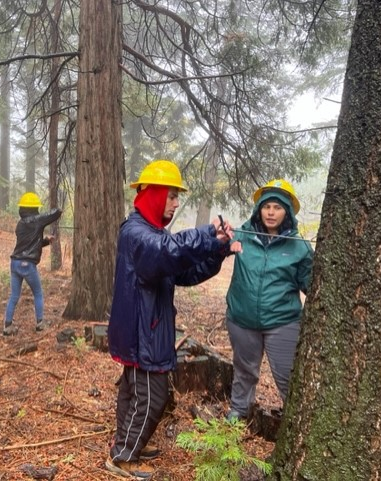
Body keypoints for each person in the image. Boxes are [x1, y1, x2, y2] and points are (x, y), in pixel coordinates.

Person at [106, 160, 234, 479]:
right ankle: (124, 458)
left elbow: (184, 271)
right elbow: (167, 252)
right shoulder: (138, 234)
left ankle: (128, 444)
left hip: (147, 327)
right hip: (143, 331)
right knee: (153, 397)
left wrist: (216, 252)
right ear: (154, 195)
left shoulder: (152, 233)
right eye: (172, 196)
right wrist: (209, 234)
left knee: (134, 394)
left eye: (177, 197)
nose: (176, 203)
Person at [225, 179, 314, 421]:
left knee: (287, 375)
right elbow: (210, 255)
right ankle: (238, 414)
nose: (271, 212)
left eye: (278, 207)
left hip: (282, 322)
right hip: (242, 319)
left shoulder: (299, 247)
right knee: (244, 371)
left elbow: (313, 287)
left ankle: (296, 420)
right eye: (267, 207)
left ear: (287, 212)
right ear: (259, 210)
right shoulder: (241, 236)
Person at [2, 192, 62, 336]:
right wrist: (60, 210)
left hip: (15, 263)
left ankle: (7, 326)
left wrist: (46, 241)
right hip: (27, 265)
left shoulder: (20, 224)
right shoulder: (36, 220)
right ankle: (40, 323)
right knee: (38, 293)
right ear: (34, 208)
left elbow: (29, 244)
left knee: (14, 295)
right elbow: (53, 214)